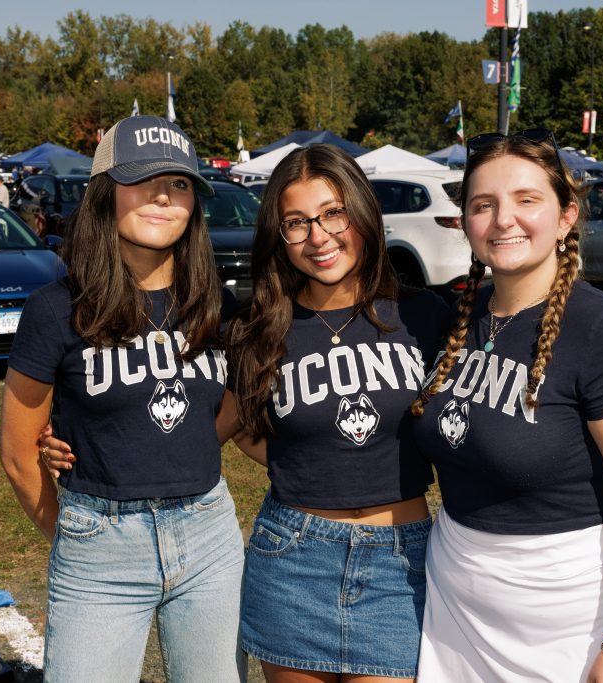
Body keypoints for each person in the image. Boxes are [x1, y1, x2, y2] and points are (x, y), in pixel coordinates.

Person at [409, 129, 603, 682]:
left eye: (526, 200)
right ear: (465, 221)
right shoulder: (456, 320)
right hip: (459, 616)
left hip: (574, 621)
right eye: (482, 205)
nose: (503, 219)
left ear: (566, 216)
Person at [0, 114, 247, 683]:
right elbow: (18, 453)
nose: (164, 195)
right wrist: (75, 537)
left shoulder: (218, 308)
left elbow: (224, 413)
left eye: (181, 183)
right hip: (98, 549)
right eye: (144, 179)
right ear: (105, 193)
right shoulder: (55, 310)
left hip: (209, 537)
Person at [225, 144, 450, 682]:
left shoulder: (423, 315)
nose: (318, 237)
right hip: (292, 559)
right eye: (296, 223)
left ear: (362, 214)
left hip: (402, 561)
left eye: (333, 214)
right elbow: (242, 428)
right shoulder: (258, 329)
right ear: (279, 237)